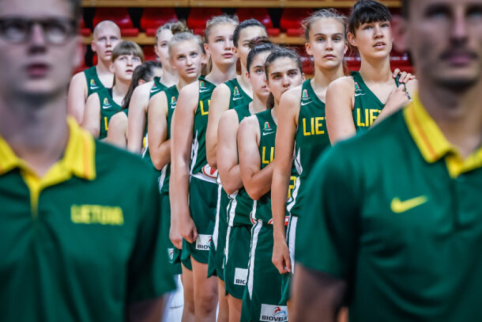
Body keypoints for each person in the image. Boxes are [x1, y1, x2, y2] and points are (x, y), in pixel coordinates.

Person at [292, 0, 482, 321]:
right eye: (368, 27)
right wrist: (393, 107)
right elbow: (346, 151)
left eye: (382, 25)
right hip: (349, 209)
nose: (459, 31)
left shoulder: (416, 89)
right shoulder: (345, 90)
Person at [0, 0, 175, 321]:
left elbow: (145, 309)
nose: (37, 41)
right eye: (14, 28)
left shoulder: (131, 180)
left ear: (73, 48)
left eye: (54, 29)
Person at [270, 9, 348, 315]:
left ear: (347, 44)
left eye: (336, 38)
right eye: (320, 39)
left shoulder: (364, 92)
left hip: (356, 215)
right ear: (309, 47)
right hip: (306, 215)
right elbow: (280, 172)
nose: (329, 45)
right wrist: (278, 236)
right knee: (303, 310)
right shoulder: (294, 99)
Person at [170, 15, 239, 322]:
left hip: (240, 196)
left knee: (232, 299)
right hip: (204, 196)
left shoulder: (257, 89)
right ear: (206, 48)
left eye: (233, 39)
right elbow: (180, 159)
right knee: (204, 299)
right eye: (219, 39)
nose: (228, 45)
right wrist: (179, 214)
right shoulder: (192, 93)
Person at [205, 19, 268, 319]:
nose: (257, 47)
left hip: (276, 217)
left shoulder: (291, 98)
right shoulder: (228, 95)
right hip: (234, 211)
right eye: (249, 43)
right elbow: (215, 158)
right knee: (231, 301)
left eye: (263, 40)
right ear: (237, 50)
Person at [238, 48, 303, 322]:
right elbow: (252, 187)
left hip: (310, 227)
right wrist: (289, 152)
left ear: (303, 77)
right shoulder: (252, 124)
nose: (286, 82)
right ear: (266, 82)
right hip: (268, 232)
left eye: (292, 74)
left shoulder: (324, 117)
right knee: (266, 316)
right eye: (277, 76)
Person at [147, 31, 205, 322]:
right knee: (178, 290)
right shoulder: (162, 99)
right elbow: (157, 156)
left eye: (193, 54)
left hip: (208, 195)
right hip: (171, 195)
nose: (189, 61)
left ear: (204, 55)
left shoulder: (218, 94)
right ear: (170, 62)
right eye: (181, 57)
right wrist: (188, 124)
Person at [218, 40, 276, 322]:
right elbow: (229, 181)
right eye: (258, 71)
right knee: (240, 312)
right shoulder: (234, 116)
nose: (265, 78)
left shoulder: (298, 114)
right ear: (247, 75)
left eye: (271, 71)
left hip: (284, 226)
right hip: (243, 223)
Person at [325, 0, 416, 144]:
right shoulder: (341, 90)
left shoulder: (413, 86)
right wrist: (389, 111)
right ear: (352, 38)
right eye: (368, 27)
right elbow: (347, 160)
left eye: (384, 26)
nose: (378, 33)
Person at [127, 22, 187, 154]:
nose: (170, 49)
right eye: (164, 44)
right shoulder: (143, 92)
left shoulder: (201, 88)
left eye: (174, 42)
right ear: (156, 50)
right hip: (155, 172)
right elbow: (133, 150)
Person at [81, 41, 144, 139]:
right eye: (123, 58)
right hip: (107, 154)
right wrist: (118, 137)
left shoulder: (150, 98)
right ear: (112, 67)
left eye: (135, 59)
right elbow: (89, 144)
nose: (129, 63)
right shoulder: (97, 99)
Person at [68, 20, 121, 123]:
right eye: (102, 39)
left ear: (121, 44)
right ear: (93, 45)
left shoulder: (133, 77)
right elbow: (78, 127)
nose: (108, 44)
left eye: (113, 38)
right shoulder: (80, 80)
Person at [106, 60, 162, 148]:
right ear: (142, 85)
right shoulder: (120, 120)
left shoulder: (171, 114)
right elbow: (117, 161)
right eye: (159, 83)